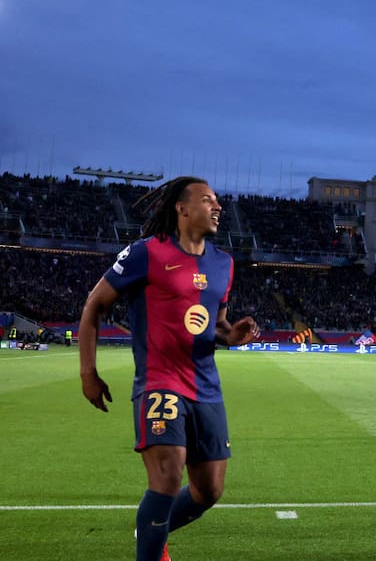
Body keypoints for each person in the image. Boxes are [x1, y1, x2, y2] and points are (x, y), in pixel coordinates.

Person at [77, 177, 260, 561]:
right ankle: (152, 550)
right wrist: (87, 373)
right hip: (160, 382)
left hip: (207, 388)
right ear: (182, 208)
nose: (218, 207)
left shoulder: (223, 264)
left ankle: (150, 529)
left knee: (209, 491)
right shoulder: (146, 253)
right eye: (207, 200)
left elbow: (216, 327)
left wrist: (232, 336)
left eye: (218, 202)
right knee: (167, 474)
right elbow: (94, 306)